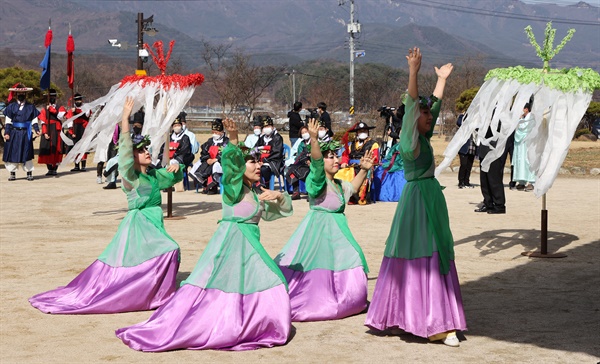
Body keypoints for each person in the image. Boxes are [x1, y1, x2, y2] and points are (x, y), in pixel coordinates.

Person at [116, 118, 293, 352]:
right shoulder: (233, 191)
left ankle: (251, 324)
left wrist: (279, 197)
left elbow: (276, 212)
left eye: (258, 162)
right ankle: (144, 293)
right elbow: (231, 169)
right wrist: (233, 139)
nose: (258, 166)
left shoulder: (255, 192)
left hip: (245, 251)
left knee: (263, 288)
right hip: (150, 229)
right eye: (251, 162)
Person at [29, 96, 183, 314]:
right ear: (133, 155)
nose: (148, 152)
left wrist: (178, 167)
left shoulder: (155, 176)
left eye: (147, 150)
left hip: (152, 225)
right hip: (138, 227)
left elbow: (173, 178)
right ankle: (152, 294)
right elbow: (126, 155)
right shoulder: (131, 178)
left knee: (164, 255)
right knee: (167, 251)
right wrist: (125, 119)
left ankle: (156, 291)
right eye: (142, 150)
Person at [365, 47, 466, 347]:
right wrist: (412, 73)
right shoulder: (410, 143)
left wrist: (441, 81)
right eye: (422, 115)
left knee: (428, 251)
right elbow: (413, 107)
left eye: (426, 114)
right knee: (424, 253)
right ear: (412, 120)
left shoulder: (422, 136)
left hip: (428, 198)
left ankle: (405, 316)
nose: (428, 117)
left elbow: (430, 107)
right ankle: (434, 324)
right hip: (417, 204)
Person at [275, 118, 372, 322]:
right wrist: (313, 139)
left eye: (336, 157)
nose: (336, 160)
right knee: (318, 273)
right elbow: (317, 163)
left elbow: (352, 188)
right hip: (318, 233)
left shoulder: (337, 183)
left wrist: (363, 169)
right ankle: (326, 301)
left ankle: (346, 300)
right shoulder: (316, 181)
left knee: (351, 259)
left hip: (338, 234)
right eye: (330, 157)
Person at [2, 83, 40, 181]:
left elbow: (34, 120)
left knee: (26, 152)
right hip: (14, 133)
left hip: (25, 133)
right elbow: (8, 121)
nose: (21, 95)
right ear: (16, 94)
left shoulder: (30, 107)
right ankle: (12, 173)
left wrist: (37, 130)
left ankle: (29, 173)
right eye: (19, 93)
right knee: (13, 152)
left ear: (25, 94)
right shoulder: (11, 107)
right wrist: (7, 133)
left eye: (23, 93)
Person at [337, 121, 380, 205]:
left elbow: (376, 159)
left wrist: (366, 163)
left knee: (352, 174)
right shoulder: (352, 144)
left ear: (368, 132)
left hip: (365, 166)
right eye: (360, 131)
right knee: (340, 174)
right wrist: (344, 162)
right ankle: (343, 195)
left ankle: (356, 197)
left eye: (364, 131)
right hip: (351, 166)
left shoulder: (373, 144)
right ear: (357, 133)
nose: (362, 133)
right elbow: (345, 155)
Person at [475, 117, 509, 214]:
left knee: (494, 179)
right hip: (484, 149)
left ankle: (499, 205)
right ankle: (488, 202)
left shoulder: (499, 113)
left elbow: (497, 130)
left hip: (494, 151)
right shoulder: (484, 113)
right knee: (484, 180)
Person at [191, 118, 229, 194]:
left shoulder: (226, 141)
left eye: (216, 132)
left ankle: (213, 185)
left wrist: (216, 159)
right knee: (199, 164)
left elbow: (226, 153)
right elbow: (204, 152)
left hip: (221, 162)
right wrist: (207, 159)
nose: (214, 134)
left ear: (222, 132)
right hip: (209, 160)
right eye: (213, 132)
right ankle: (205, 185)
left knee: (215, 166)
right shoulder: (210, 141)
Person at [38, 89, 66, 176]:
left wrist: (52, 110)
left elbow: (61, 117)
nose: (52, 98)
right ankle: (49, 168)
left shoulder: (60, 107)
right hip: (48, 128)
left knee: (57, 148)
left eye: (54, 96)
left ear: (56, 97)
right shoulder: (44, 109)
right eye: (51, 97)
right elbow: (43, 122)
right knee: (47, 148)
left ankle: (55, 168)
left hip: (57, 130)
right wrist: (45, 132)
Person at [255, 116, 285, 187]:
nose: (266, 128)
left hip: (274, 161)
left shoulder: (278, 138)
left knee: (264, 169)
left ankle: (266, 184)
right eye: (265, 127)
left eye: (268, 126)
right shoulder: (262, 138)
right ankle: (256, 184)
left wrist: (265, 160)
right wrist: (257, 159)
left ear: (272, 126)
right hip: (261, 161)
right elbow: (256, 148)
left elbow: (277, 153)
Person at [512, 103, 536, 191]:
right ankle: (522, 181)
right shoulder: (525, 118)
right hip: (520, 144)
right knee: (520, 161)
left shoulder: (530, 117)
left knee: (527, 161)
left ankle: (531, 182)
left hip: (527, 142)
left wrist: (519, 120)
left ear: (526, 109)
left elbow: (523, 128)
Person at [66, 93, 91, 172]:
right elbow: (69, 121)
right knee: (75, 147)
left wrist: (76, 111)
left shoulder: (85, 107)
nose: (78, 101)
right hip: (75, 128)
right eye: (76, 100)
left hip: (83, 128)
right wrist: (71, 131)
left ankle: (83, 166)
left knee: (83, 147)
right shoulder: (71, 110)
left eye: (79, 100)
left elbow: (87, 115)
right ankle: (76, 165)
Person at [286, 125, 311, 200]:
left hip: (312, 164)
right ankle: (296, 191)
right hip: (303, 164)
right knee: (291, 171)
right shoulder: (301, 144)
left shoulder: (314, 142)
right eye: (302, 133)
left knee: (308, 173)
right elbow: (299, 156)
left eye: (306, 132)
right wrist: (305, 160)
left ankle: (311, 193)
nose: (304, 134)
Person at [456, 113, 476, 189]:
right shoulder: (464, 120)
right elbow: (458, 122)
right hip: (464, 148)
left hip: (472, 147)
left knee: (469, 166)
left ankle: (467, 181)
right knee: (463, 165)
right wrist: (462, 115)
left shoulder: (475, 122)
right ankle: (461, 182)